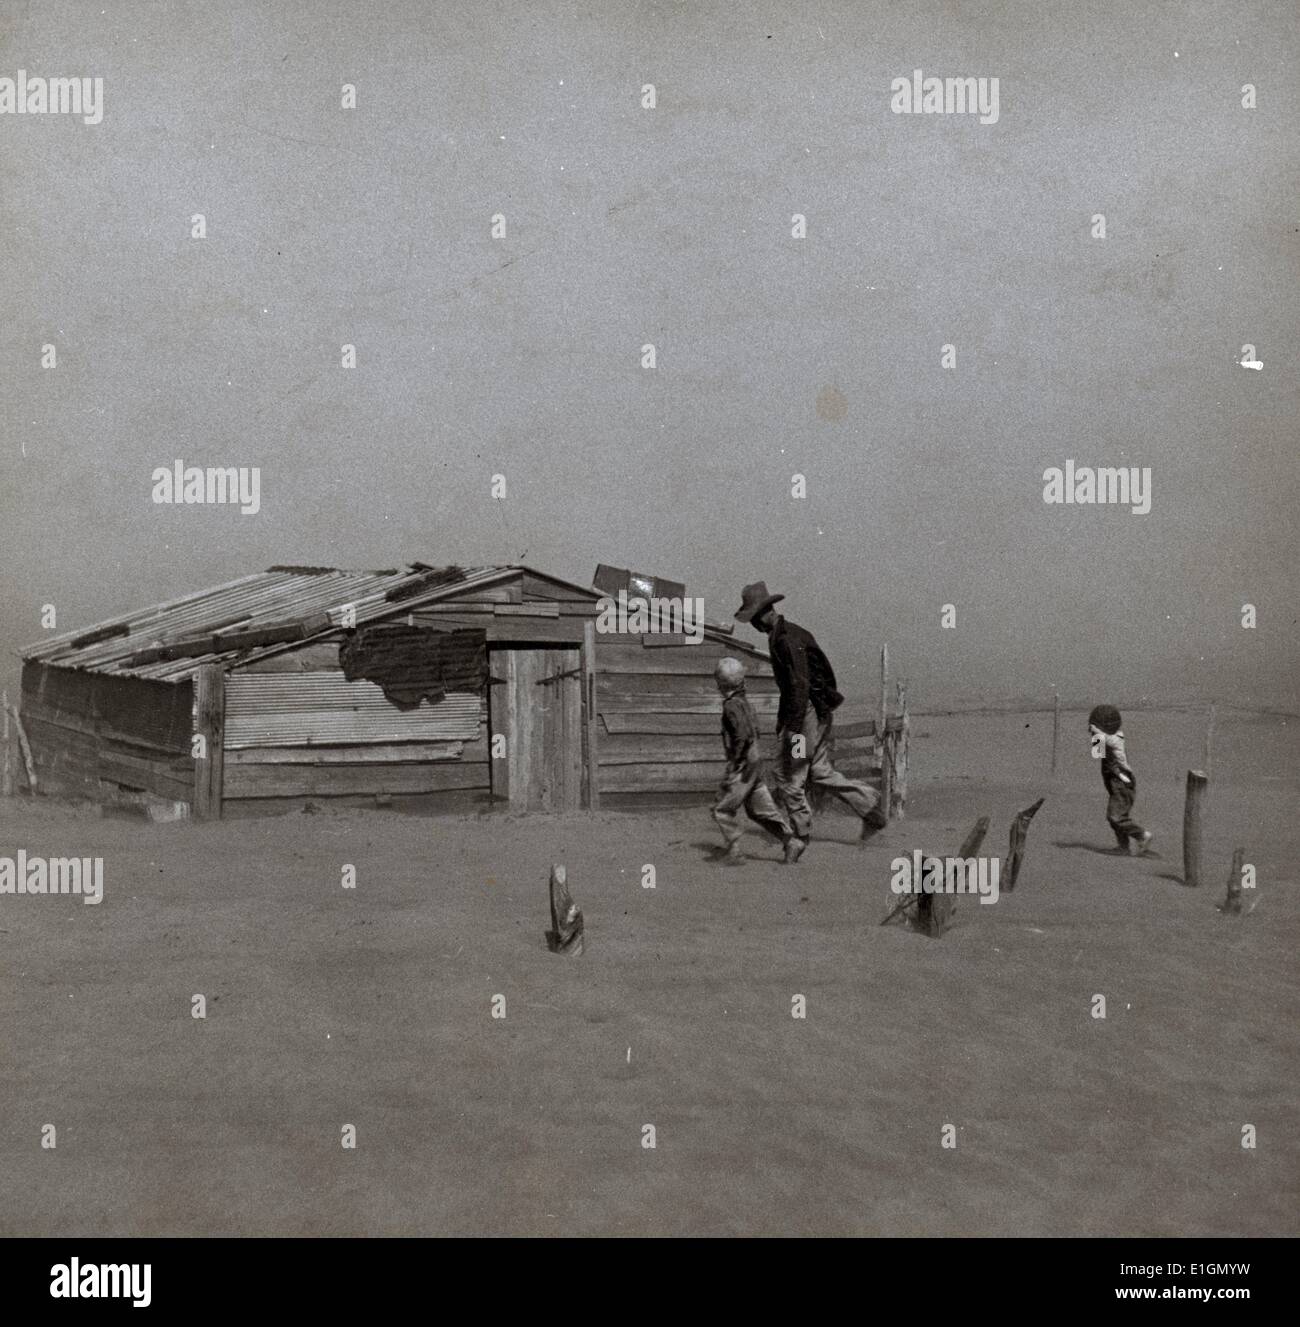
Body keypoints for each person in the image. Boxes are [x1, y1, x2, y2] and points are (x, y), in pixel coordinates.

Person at [734, 582, 887, 852]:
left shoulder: (787, 640)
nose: (754, 625)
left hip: (806, 715)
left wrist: (792, 730)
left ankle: (800, 836)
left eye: (754, 618)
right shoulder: (784, 634)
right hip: (812, 713)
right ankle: (872, 810)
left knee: (788, 773)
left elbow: (799, 686)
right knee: (819, 771)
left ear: (764, 613)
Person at [711, 657, 801, 864]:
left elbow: (742, 735)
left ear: (720, 684)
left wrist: (735, 763)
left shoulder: (731, 706)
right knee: (760, 810)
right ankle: (791, 841)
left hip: (744, 764)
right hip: (755, 761)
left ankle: (734, 851)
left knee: (722, 809)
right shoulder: (746, 703)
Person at [1088, 704, 1153, 855]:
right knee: (1117, 817)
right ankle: (1123, 848)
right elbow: (1097, 753)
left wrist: (1095, 729)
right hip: (1114, 782)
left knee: (1115, 817)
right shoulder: (1107, 737)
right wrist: (1095, 733)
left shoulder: (1116, 739)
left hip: (1122, 782)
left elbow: (1105, 739)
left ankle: (1142, 835)